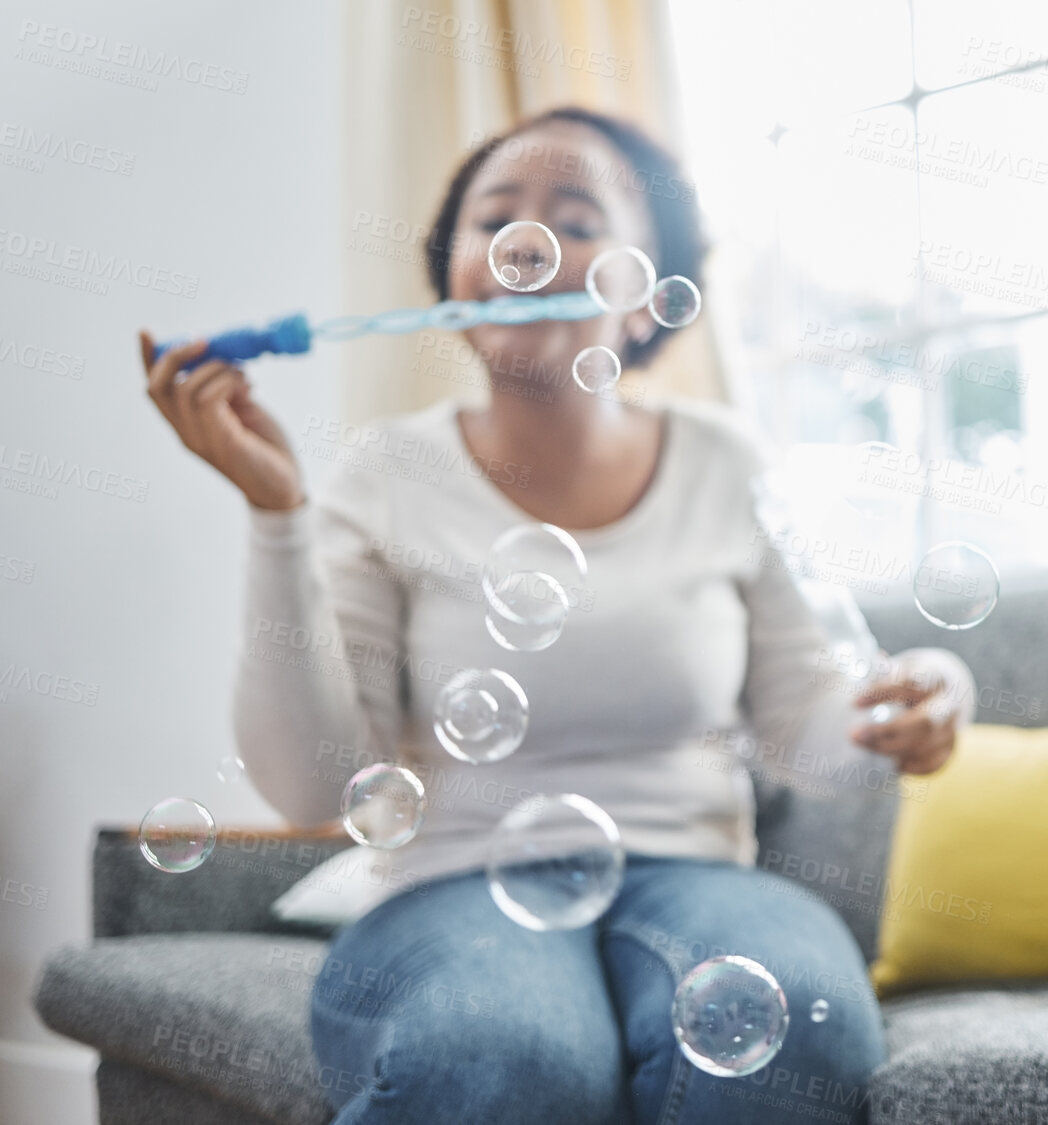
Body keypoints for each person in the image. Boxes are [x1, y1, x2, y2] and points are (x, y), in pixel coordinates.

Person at [138, 105, 975, 1124]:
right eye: (494, 222)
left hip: (700, 873)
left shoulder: (724, 462)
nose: (525, 249)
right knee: (503, 1055)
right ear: (454, 280)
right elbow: (312, 783)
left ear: (642, 300)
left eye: (577, 221)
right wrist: (277, 515)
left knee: (794, 1028)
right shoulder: (385, 474)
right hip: (447, 884)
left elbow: (810, 733)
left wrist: (917, 704)